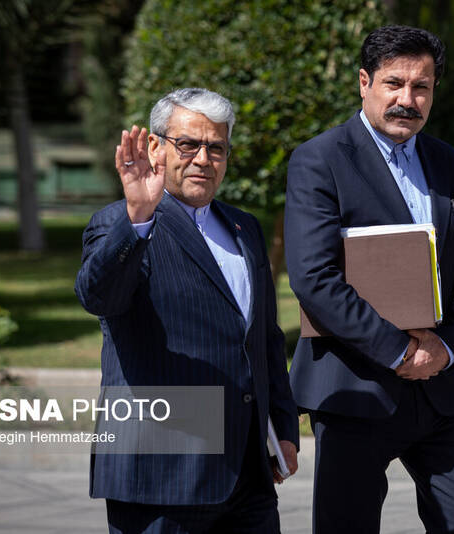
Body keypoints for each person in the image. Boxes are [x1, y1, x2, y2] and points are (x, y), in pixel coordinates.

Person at [284, 26, 454, 533]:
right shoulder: (320, 159)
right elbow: (314, 277)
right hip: (355, 386)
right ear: (364, 82)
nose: (407, 99)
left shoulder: (449, 162)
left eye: (421, 87)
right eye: (394, 83)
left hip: (442, 388)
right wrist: (399, 351)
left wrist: (446, 347)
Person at [75, 87, 299, 533]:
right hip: (161, 474)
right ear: (155, 146)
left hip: (247, 475)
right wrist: (138, 218)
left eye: (216, 147)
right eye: (188, 144)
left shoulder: (245, 228)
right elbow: (99, 298)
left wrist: (284, 428)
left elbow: (263, 339)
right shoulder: (121, 222)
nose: (203, 159)